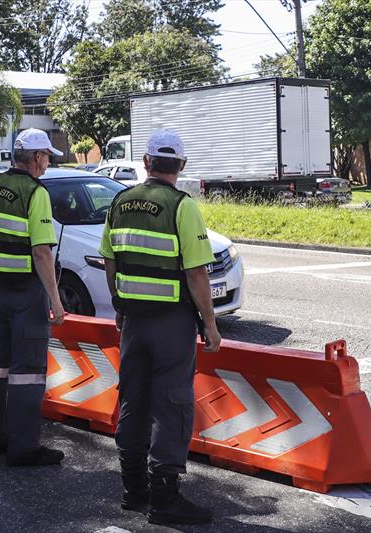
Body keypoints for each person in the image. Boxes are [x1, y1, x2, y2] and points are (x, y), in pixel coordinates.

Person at [99, 130, 221, 525]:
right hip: (172, 323)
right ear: (181, 165)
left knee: (133, 399)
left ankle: (133, 490)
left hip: (134, 322)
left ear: (147, 163)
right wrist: (210, 322)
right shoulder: (182, 206)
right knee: (171, 404)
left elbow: (110, 261)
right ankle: (165, 500)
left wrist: (120, 304)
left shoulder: (119, 201)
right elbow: (197, 272)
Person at [0, 128, 67, 467]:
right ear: (36, 157)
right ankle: (24, 447)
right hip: (27, 294)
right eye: (47, 156)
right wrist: (56, 301)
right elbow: (41, 252)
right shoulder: (35, 193)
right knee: (27, 372)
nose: (48, 162)